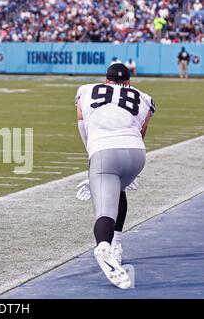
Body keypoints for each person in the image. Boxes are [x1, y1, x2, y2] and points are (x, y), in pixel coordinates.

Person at [74, 63, 156, 289]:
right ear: (128, 82)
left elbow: (83, 126)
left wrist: (94, 166)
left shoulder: (86, 90)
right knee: (118, 186)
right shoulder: (144, 97)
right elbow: (141, 132)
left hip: (103, 152)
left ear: (105, 80)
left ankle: (104, 246)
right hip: (136, 155)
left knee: (104, 211)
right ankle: (117, 246)